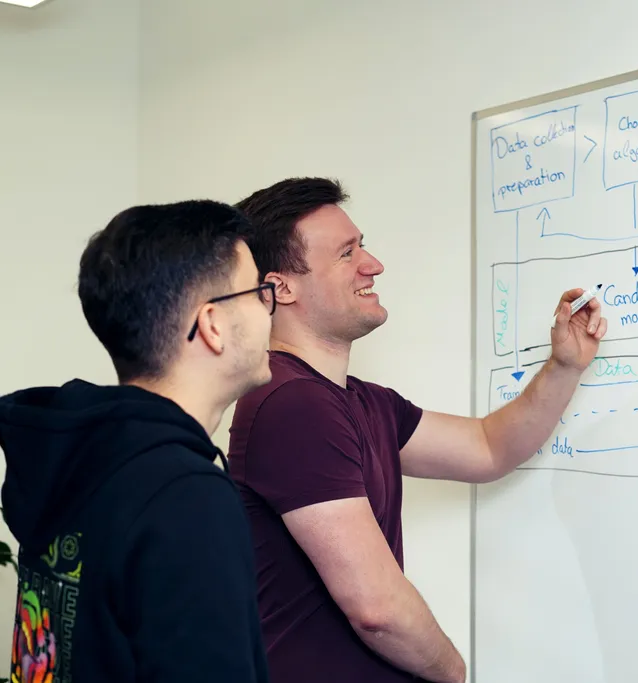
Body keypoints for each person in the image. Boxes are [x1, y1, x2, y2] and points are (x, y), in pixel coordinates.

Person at [227, 176, 607, 683]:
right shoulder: (292, 404)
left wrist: (563, 366)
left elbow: (488, 447)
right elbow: (376, 607)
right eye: (346, 253)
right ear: (281, 288)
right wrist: (454, 673)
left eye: (362, 245)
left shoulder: (362, 402)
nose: (373, 264)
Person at [0, 201, 274, 682]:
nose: (270, 309)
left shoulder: (72, 457)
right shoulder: (187, 496)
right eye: (258, 291)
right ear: (212, 324)